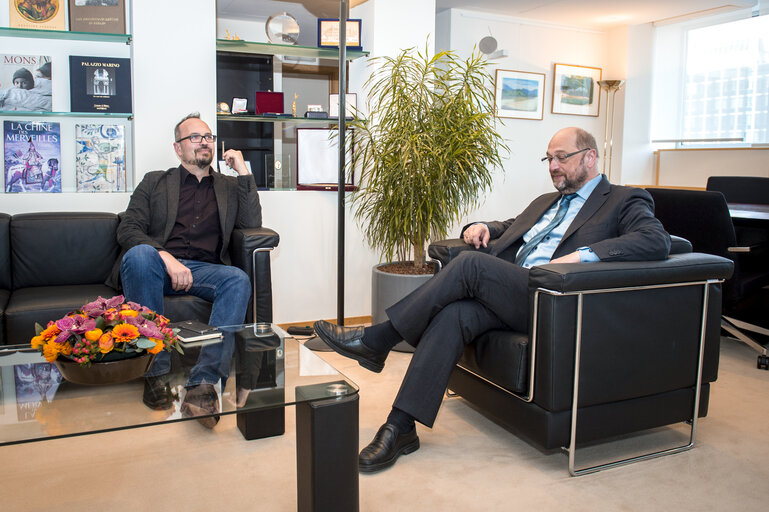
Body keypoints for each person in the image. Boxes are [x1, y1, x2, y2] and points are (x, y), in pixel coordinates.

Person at [314, 127, 671, 472]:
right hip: (513, 290)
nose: (553, 166)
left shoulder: (624, 199)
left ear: (590, 157)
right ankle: (400, 426)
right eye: (548, 159)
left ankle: (379, 339)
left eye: (561, 157)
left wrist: (582, 256)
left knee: (470, 265)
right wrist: (484, 226)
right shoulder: (547, 201)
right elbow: (515, 226)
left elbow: (656, 240)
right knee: (453, 314)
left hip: (553, 299)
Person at [108, 112, 261, 427]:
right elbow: (129, 229)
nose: (204, 142)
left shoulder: (229, 187)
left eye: (208, 137)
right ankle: (156, 373)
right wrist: (165, 257)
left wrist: (243, 171)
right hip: (157, 267)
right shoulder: (155, 181)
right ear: (178, 148)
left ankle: (202, 384)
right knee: (138, 256)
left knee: (237, 279)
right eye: (195, 137)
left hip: (205, 271)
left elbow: (251, 225)